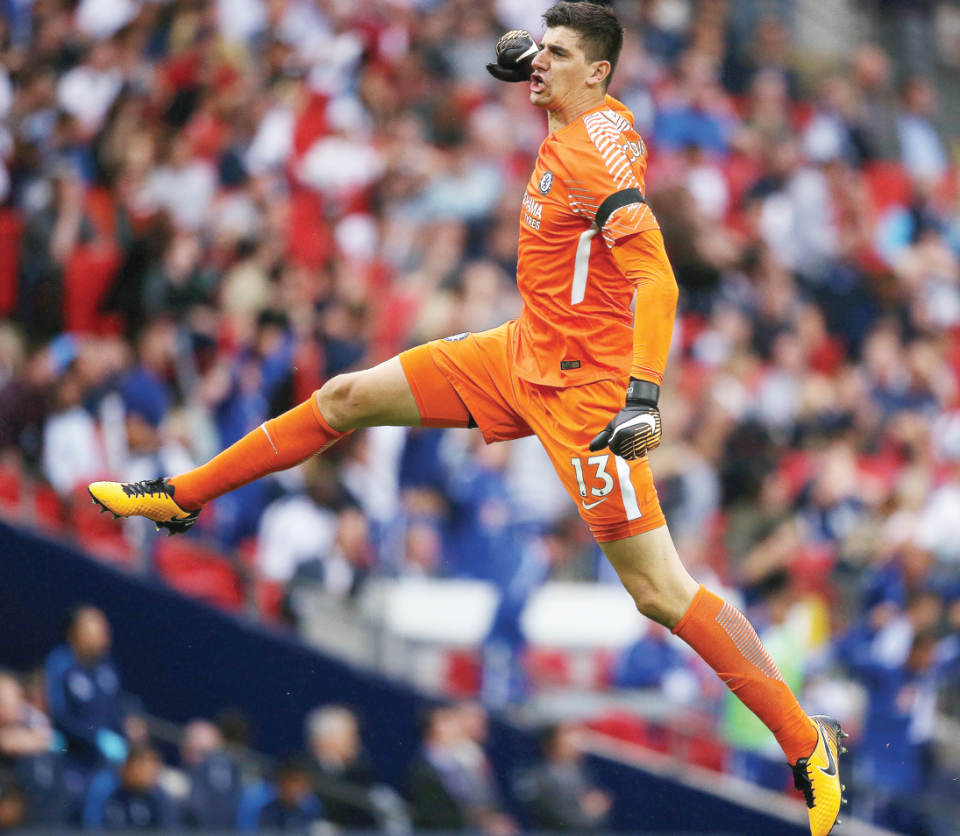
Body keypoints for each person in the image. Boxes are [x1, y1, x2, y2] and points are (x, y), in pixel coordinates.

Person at [89, 4, 845, 833]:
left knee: (661, 593)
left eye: (558, 55)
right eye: (540, 50)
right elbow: (563, 93)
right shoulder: (588, 113)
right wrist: (534, 62)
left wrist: (643, 396)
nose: (540, 63)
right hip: (517, 354)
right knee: (345, 398)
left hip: (584, 397)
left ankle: (807, 743)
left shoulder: (595, 156)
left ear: (596, 74)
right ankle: (183, 496)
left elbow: (657, 278)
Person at [520, 721, 612, 831]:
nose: (577, 740)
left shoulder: (580, 770)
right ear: (553, 740)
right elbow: (564, 819)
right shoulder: (542, 776)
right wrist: (592, 812)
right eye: (569, 733)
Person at [82, 744, 179, 830]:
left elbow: (168, 828)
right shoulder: (105, 788)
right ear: (131, 767)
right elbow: (91, 826)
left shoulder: (156, 795)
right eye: (148, 772)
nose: (152, 778)